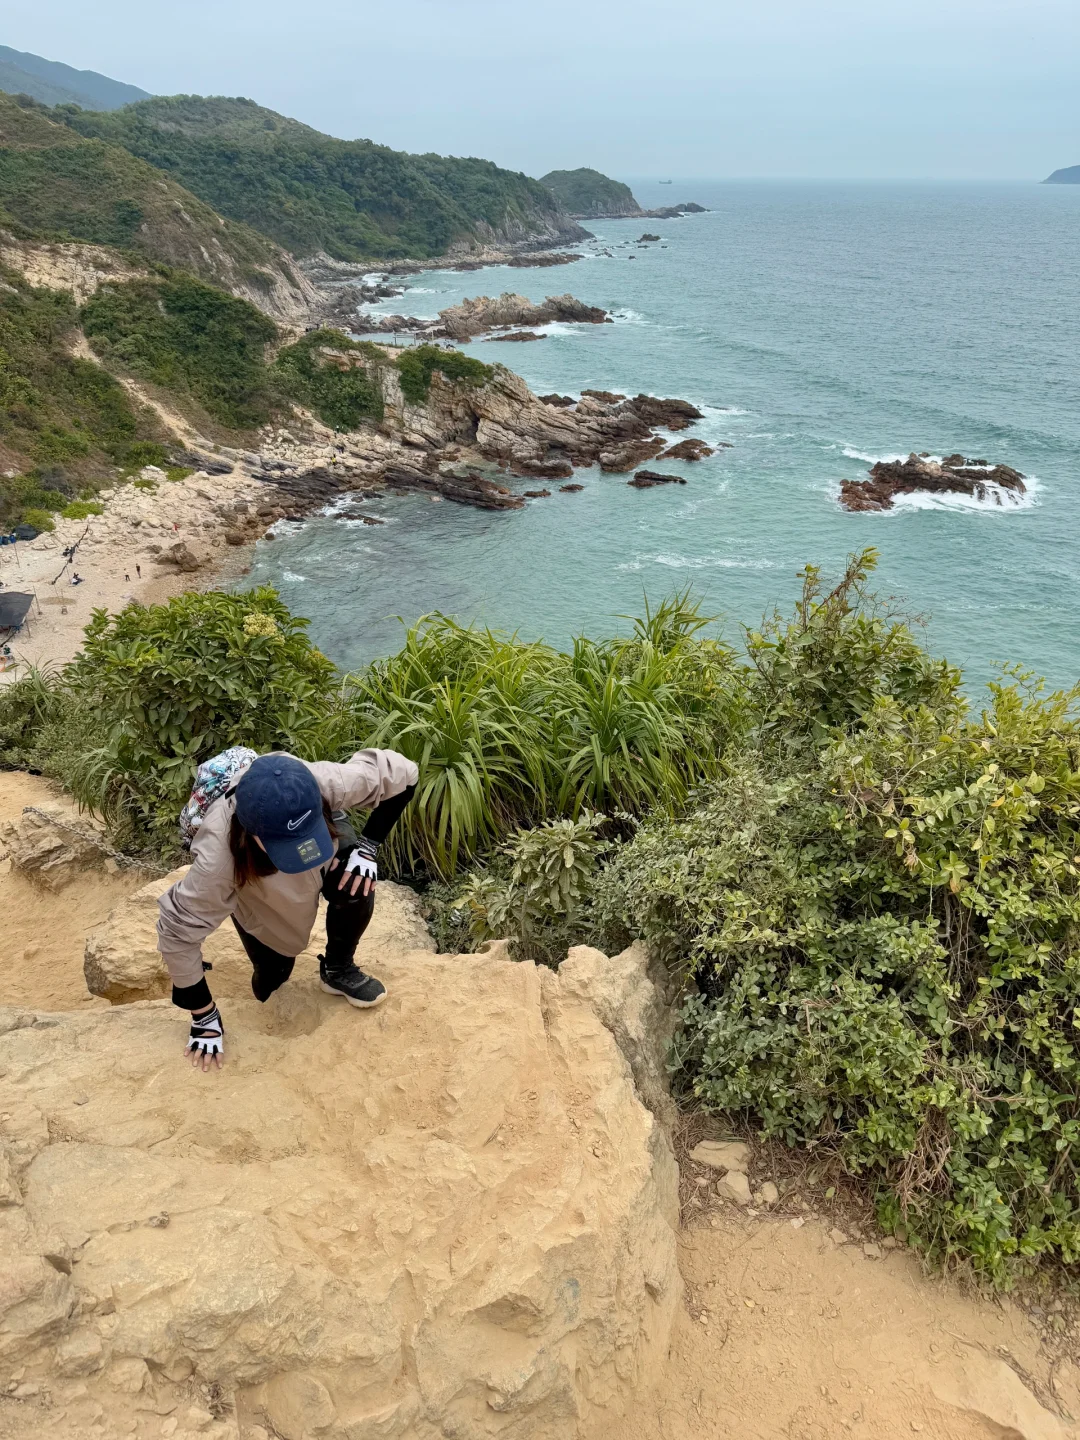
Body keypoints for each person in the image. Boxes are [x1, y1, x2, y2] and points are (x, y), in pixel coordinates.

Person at [157, 748, 417, 1072]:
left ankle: (338, 969)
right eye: (287, 843)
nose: (302, 851)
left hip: (323, 830)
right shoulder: (218, 859)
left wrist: (367, 848)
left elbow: (403, 774)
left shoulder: (324, 782)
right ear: (251, 832)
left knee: (357, 881)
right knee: (275, 972)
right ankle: (267, 990)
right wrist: (203, 1016)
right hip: (256, 882)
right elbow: (177, 934)